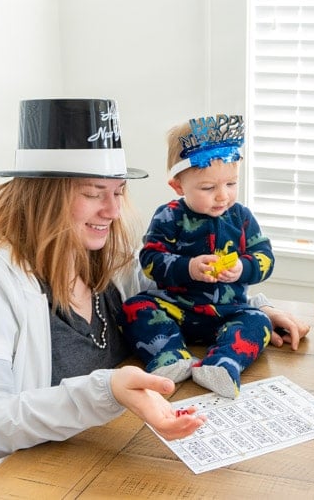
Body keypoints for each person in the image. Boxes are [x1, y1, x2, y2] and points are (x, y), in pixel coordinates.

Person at [0, 99, 308, 499]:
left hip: (86, 458)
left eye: (118, 191)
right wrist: (105, 390)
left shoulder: (103, 252)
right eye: (92, 194)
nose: (113, 210)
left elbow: (174, 294)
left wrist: (259, 307)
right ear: (40, 195)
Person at [118, 114, 277, 399]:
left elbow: (264, 257)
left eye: (231, 184)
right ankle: (170, 358)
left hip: (228, 313)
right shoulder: (169, 216)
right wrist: (188, 268)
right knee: (134, 307)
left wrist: (243, 267)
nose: (222, 196)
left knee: (259, 322)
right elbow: (151, 260)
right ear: (178, 186)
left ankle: (222, 364)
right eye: (207, 188)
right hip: (176, 307)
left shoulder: (241, 217)